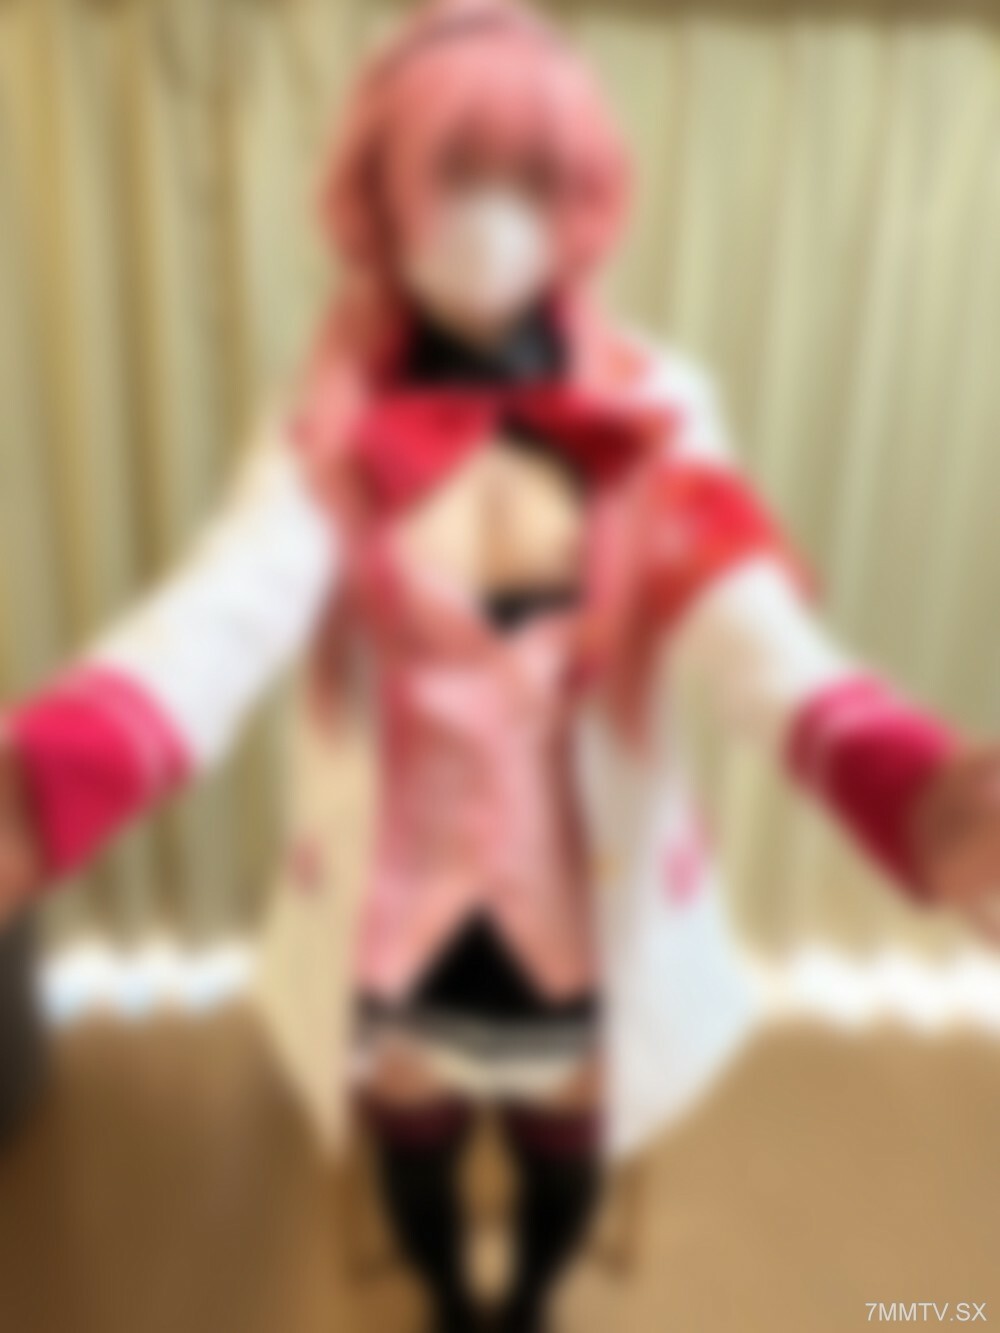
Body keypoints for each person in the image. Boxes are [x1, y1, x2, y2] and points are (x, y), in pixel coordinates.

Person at [2, 2, 1000, 1328]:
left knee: (560, 1143)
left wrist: (906, 782)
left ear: (583, 197)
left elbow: (748, 626)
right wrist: (43, 782)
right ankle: (447, 1303)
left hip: (581, 900)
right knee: (411, 1134)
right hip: (399, 894)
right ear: (380, 195)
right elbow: (227, 613)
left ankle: (523, 1300)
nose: (491, 211)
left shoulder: (653, 400)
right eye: (453, 169)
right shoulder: (326, 417)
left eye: (532, 175)